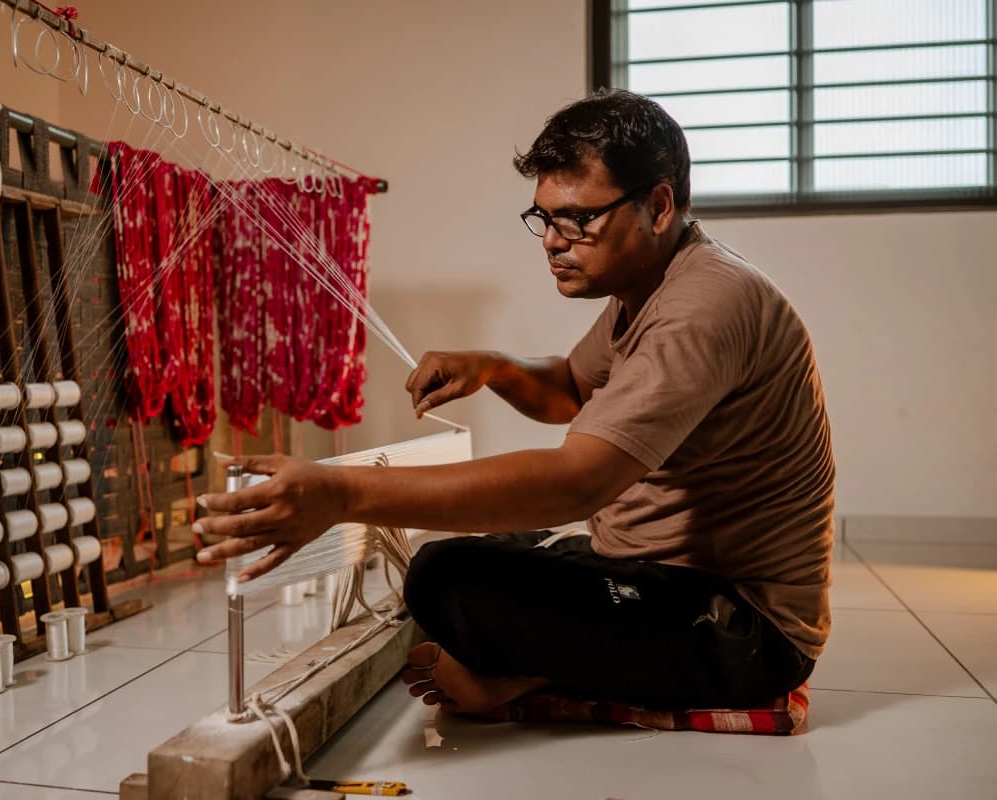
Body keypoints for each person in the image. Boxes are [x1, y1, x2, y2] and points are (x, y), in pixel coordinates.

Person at [194, 89, 835, 716]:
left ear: (659, 205)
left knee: (448, 579)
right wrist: (493, 369)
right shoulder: (647, 284)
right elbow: (573, 391)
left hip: (742, 628)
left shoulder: (703, 305)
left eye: (579, 218)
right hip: (658, 574)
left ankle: (522, 673)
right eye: (544, 217)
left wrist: (341, 495)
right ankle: (527, 660)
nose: (553, 240)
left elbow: (579, 482)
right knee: (494, 548)